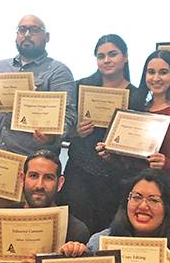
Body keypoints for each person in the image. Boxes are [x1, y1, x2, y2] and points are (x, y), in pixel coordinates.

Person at [60, 34, 147, 233]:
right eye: (101, 56)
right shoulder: (80, 86)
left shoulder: (137, 95)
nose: (106, 60)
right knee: (77, 233)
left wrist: (117, 152)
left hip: (116, 178)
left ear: (125, 57)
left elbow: (138, 141)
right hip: (79, 173)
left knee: (108, 234)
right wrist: (75, 132)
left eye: (112, 54)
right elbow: (63, 128)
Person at [97, 50, 170, 190]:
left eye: (163, 72)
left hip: (166, 190)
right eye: (151, 72)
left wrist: (169, 164)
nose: (156, 78)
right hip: (131, 186)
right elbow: (130, 161)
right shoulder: (137, 109)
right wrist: (110, 154)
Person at [0, 15, 76, 156]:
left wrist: (52, 135)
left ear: (47, 37)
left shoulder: (59, 71)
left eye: (34, 30)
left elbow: (69, 115)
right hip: (0, 156)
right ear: (16, 35)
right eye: (22, 30)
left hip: (36, 164)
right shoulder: (0, 67)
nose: (27, 35)